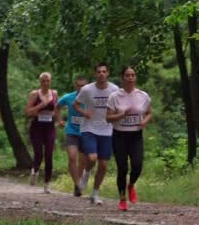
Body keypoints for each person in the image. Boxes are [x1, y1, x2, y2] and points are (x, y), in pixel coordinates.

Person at [106, 65, 152, 211]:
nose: (130, 78)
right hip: (119, 135)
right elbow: (108, 118)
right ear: (123, 78)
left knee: (137, 166)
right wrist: (121, 115)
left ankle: (131, 185)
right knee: (122, 168)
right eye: (127, 75)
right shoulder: (115, 96)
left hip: (136, 135)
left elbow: (149, 112)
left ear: (135, 77)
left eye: (133, 75)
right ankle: (122, 198)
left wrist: (145, 121)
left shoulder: (143, 95)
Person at [73, 62, 119, 205]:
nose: (101, 74)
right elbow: (76, 104)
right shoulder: (87, 89)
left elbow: (118, 106)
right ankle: (86, 174)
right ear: (95, 74)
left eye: (104, 71)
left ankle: (95, 193)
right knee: (92, 158)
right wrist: (84, 113)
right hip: (89, 128)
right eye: (99, 71)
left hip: (107, 129)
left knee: (103, 165)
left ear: (108, 73)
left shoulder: (114, 89)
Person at [23, 72, 59, 193]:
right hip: (37, 128)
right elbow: (28, 112)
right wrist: (40, 106)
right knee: (39, 154)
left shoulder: (54, 93)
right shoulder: (34, 94)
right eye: (43, 81)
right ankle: (35, 170)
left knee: (49, 155)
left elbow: (56, 110)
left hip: (50, 128)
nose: (45, 83)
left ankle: (47, 183)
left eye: (47, 80)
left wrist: (58, 119)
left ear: (51, 81)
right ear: (40, 82)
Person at [57, 75, 89, 196]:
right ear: (75, 86)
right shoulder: (69, 97)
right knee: (72, 156)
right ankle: (76, 184)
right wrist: (59, 120)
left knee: (83, 162)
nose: (81, 88)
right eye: (79, 86)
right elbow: (57, 106)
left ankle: (79, 183)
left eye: (84, 86)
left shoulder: (91, 99)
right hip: (72, 131)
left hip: (86, 132)